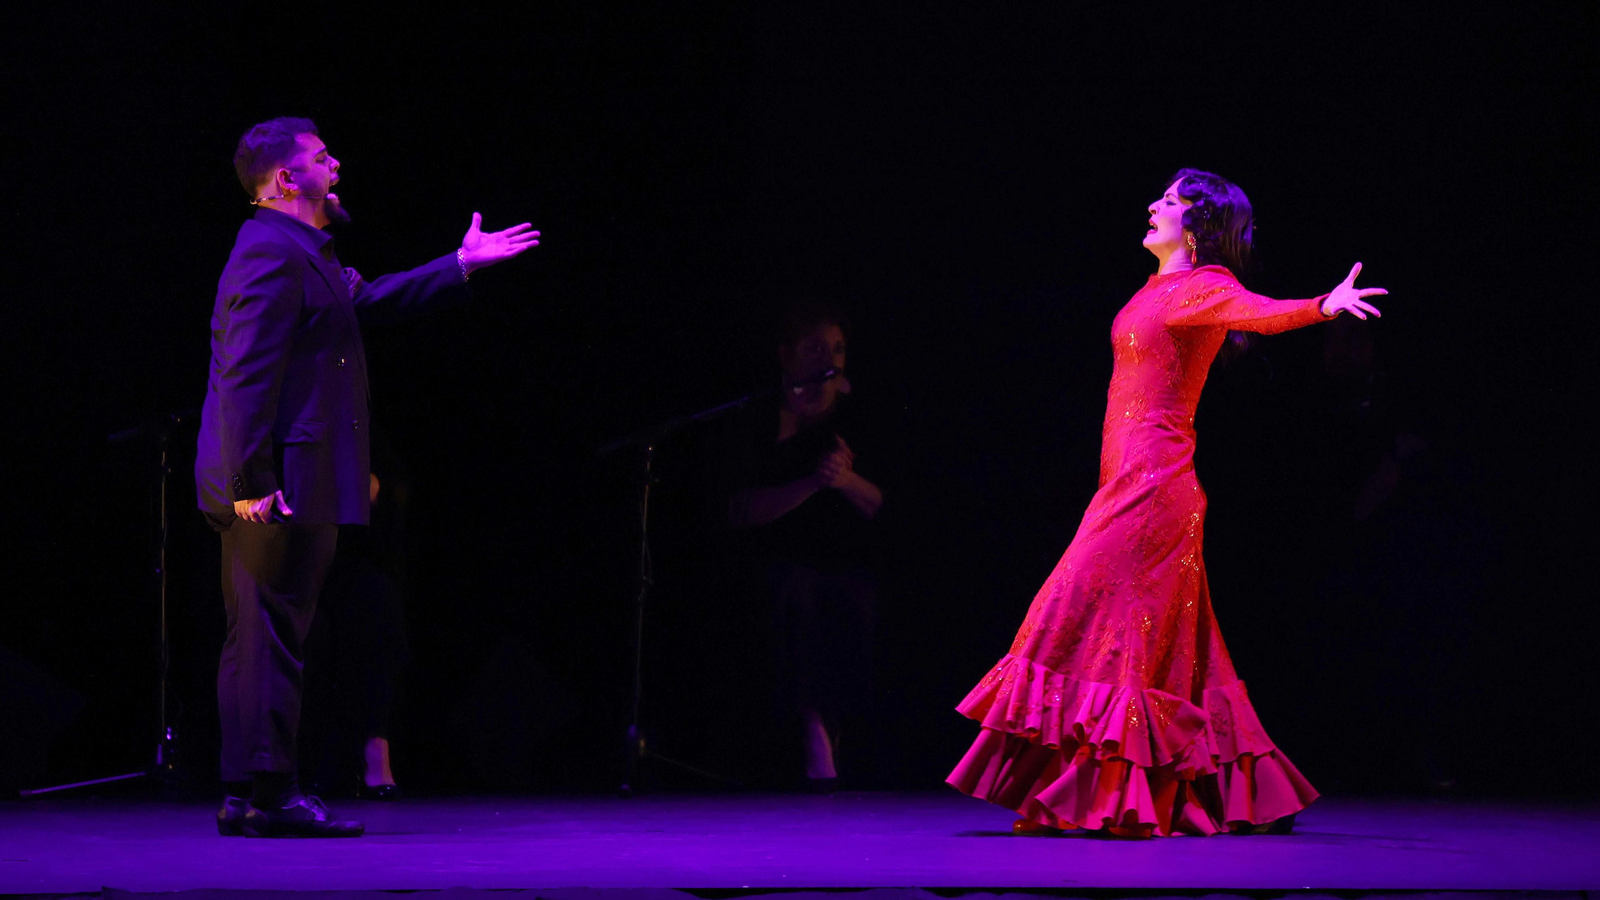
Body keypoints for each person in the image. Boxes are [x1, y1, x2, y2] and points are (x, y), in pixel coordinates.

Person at [946, 169, 1385, 837]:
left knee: (1079, 617)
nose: (1154, 205)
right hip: (1129, 486)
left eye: (1171, 201)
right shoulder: (1156, 288)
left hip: (1153, 490)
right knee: (1172, 649)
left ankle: (1110, 792)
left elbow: (1259, 314)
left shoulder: (1208, 286)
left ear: (1200, 226)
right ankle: (1224, 791)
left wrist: (1321, 305)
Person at [195, 117, 539, 837]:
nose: (337, 164)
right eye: (322, 158)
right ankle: (271, 793)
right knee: (272, 633)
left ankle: (244, 791)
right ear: (287, 179)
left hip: (284, 476)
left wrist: (460, 265)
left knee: (261, 633)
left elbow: (368, 299)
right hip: (275, 482)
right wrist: (249, 482)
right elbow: (244, 375)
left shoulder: (298, 250)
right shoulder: (270, 253)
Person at [727, 303, 884, 789]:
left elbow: (879, 503)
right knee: (796, 592)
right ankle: (812, 729)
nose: (828, 358)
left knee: (852, 596)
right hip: (771, 560)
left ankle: (834, 732)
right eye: (815, 347)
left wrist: (844, 480)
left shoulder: (856, 419)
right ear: (787, 356)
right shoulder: (757, 420)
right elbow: (739, 512)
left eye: (836, 348)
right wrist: (814, 484)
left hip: (845, 561)